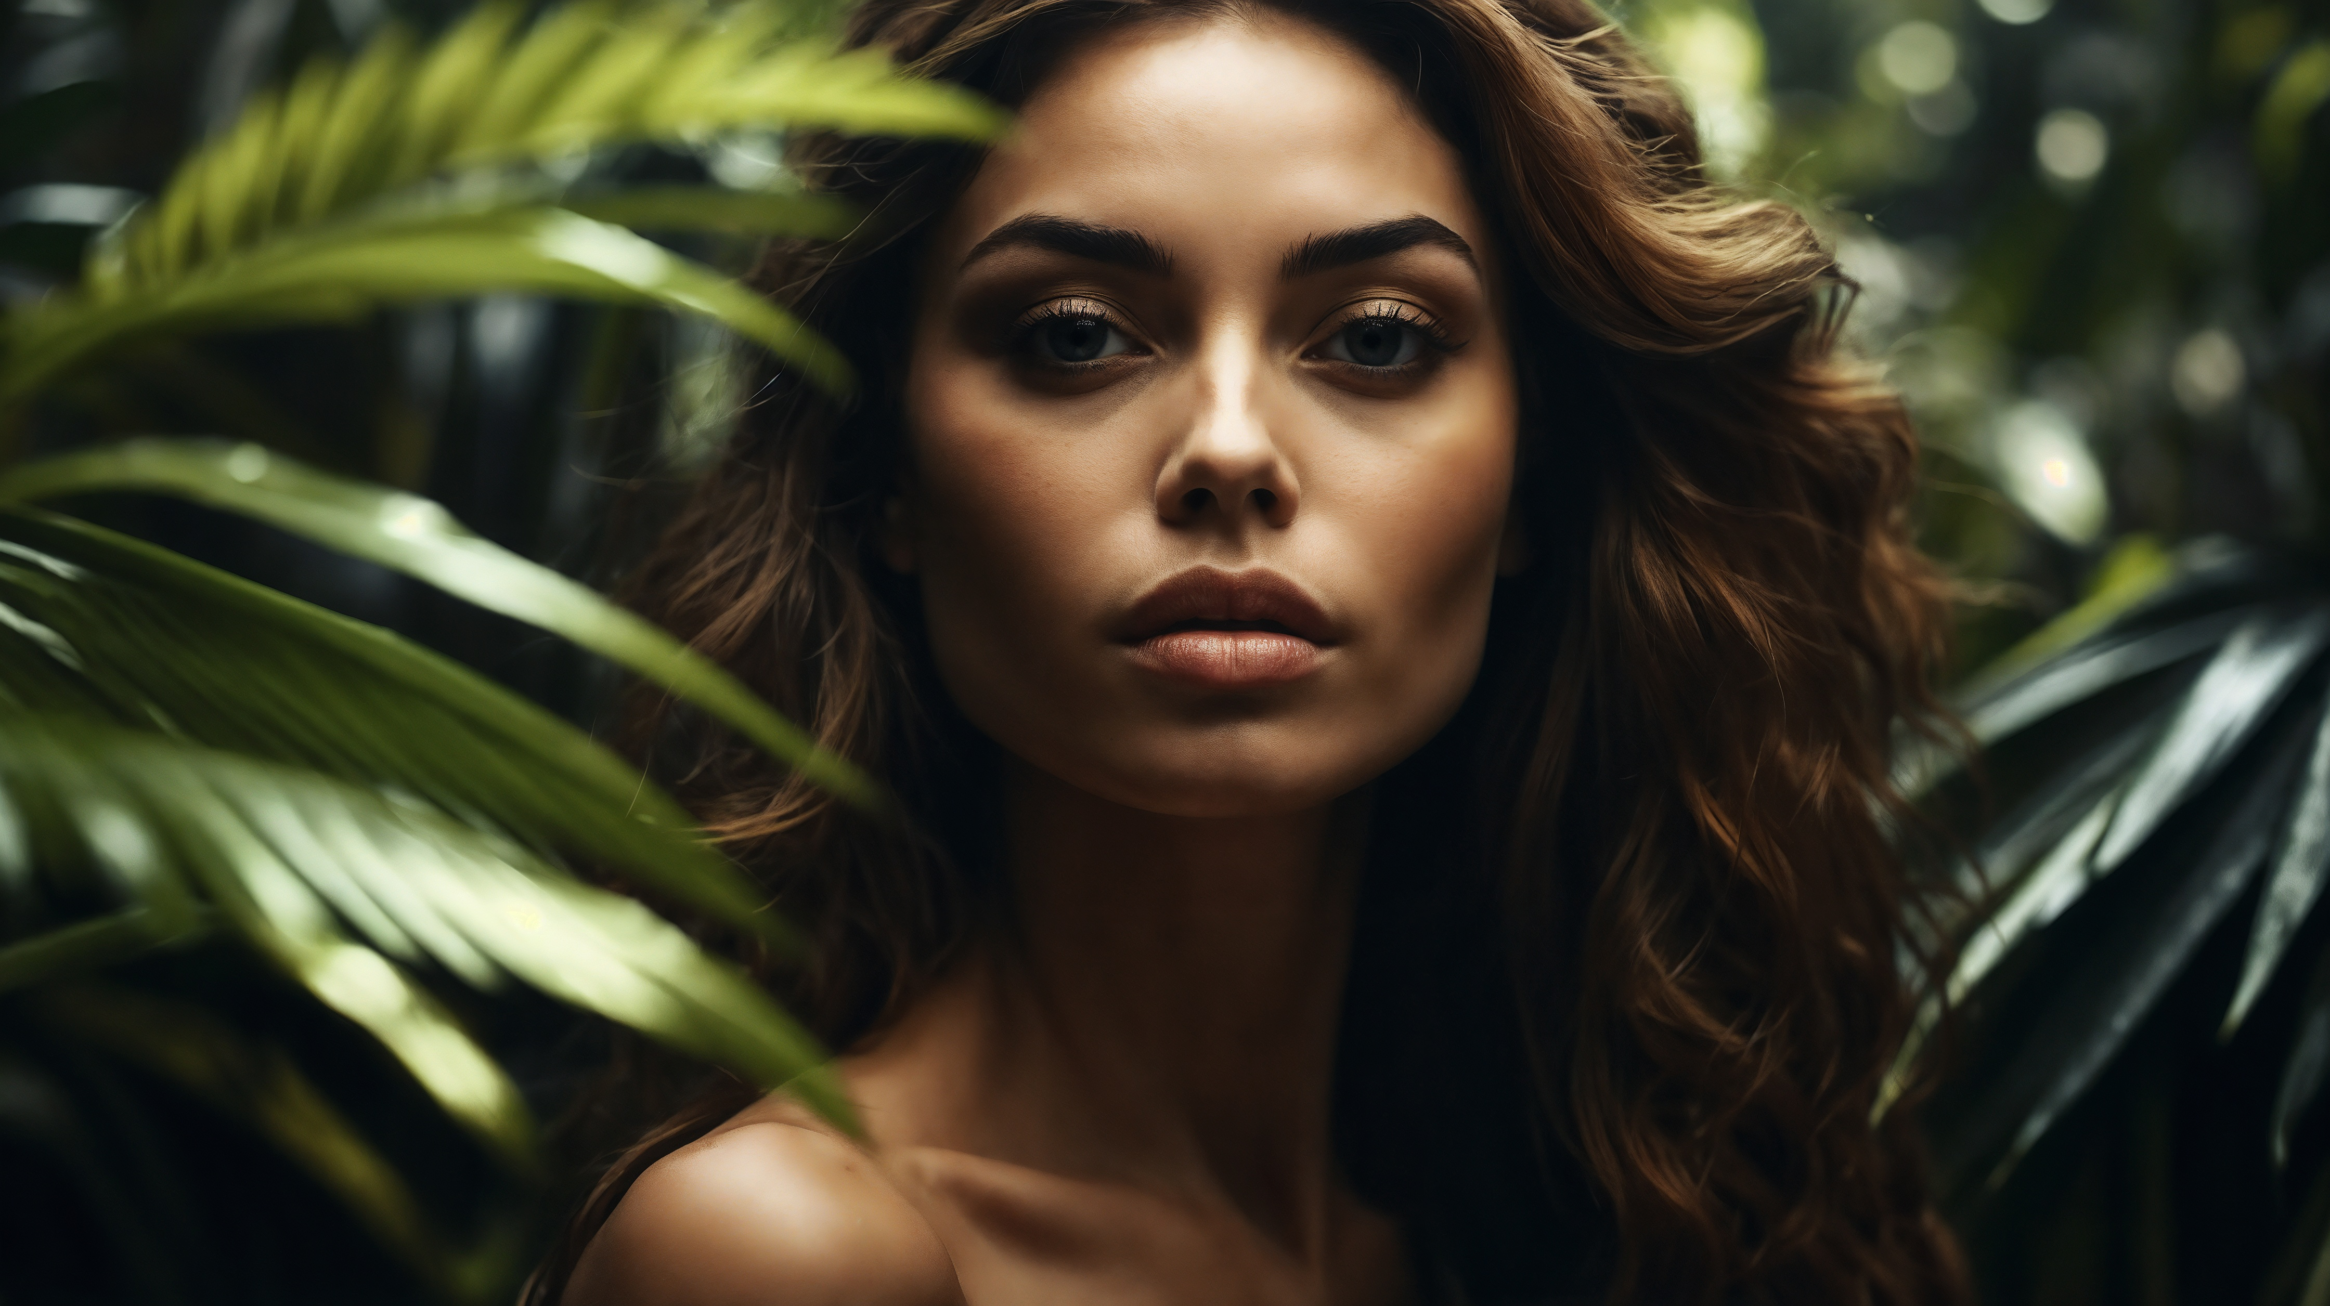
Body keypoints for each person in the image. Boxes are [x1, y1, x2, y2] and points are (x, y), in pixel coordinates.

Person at [534, 1, 1969, 1302]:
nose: (1227, 449)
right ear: (885, 470)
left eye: (1379, 339)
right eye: (1076, 334)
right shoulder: (783, 1254)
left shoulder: (1573, 1216)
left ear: (1535, 476)